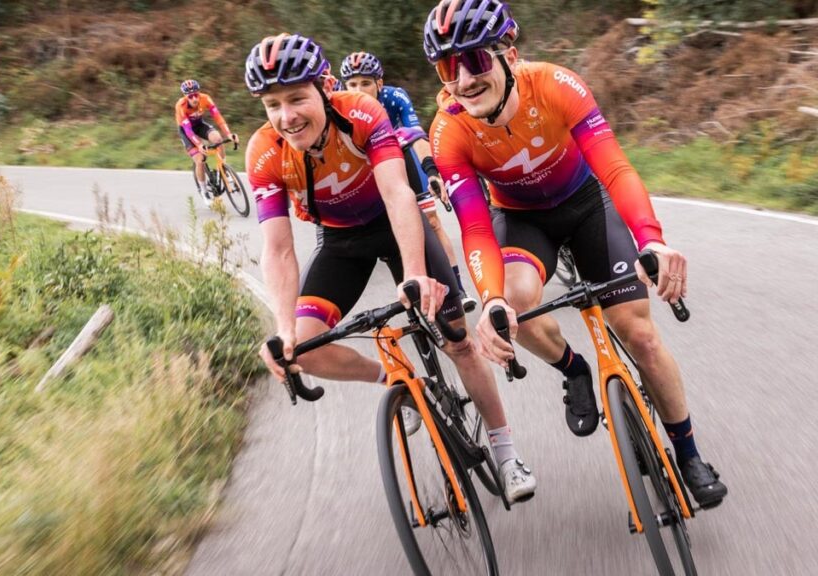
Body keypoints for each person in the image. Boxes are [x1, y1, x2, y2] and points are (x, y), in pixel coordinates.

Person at [423, 0, 727, 507]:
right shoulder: (449, 130)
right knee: (515, 302)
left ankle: (689, 454)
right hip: (521, 218)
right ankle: (573, 369)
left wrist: (651, 237)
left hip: (586, 202)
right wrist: (491, 298)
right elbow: (474, 226)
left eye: (474, 61)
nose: (463, 79)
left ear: (509, 56)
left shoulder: (555, 85)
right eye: (447, 68)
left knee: (641, 336)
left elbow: (615, 169)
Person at [245, 33, 536, 502]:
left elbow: (399, 195)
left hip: (394, 222)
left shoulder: (362, 114)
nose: (286, 116)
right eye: (272, 105)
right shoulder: (264, 152)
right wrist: (283, 330)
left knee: (457, 340)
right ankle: (396, 380)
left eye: (296, 98)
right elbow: (278, 249)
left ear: (325, 87)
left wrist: (417, 275)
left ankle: (506, 454)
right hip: (341, 241)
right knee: (306, 348)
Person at [339, 51, 478, 312]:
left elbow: (416, 136)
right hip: (364, 167)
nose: (358, 90)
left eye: (365, 83)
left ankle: (458, 288)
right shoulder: (338, 101)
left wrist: (431, 170)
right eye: (352, 84)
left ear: (379, 83)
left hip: (399, 156)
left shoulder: (395, 97)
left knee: (433, 223)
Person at [174, 79, 239, 206]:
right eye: (190, 96)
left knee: (218, 139)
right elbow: (188, 130)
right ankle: (204, 192)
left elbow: (218, 117)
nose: (194, 99)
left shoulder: (206, 98)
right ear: (185, 97)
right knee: (200, 159)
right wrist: (199, 144)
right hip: (186, 131)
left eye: (196, 94)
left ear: (199, 93)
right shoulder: (181, 106)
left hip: (199, 125)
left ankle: (223, 169)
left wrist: (229, 134)